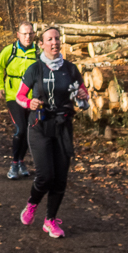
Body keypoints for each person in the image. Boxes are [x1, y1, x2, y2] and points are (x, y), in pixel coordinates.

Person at [14, 26, 88, 238]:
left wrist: (83, 96)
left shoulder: (71, 69)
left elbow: (83, 100)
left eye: (57, 39)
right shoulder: (35, 69)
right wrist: (30, 103)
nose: (54, 43)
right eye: (49, 39)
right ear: (42, 44)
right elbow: (20, 96)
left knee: (61, 178)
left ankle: (50, 220)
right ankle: (32, 203)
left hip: (63, 127)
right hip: (39, 127)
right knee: (45, 175)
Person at [0, 22, 39, 180]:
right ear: (17, 35)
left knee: (30, 130)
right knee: (20, 128)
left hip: (32, 98)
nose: (28, 37)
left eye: (30, 34)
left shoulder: (38, 53)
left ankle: (21, 161)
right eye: (24, 34)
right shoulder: (9, 51)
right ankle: (14, 163)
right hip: (14, 96)